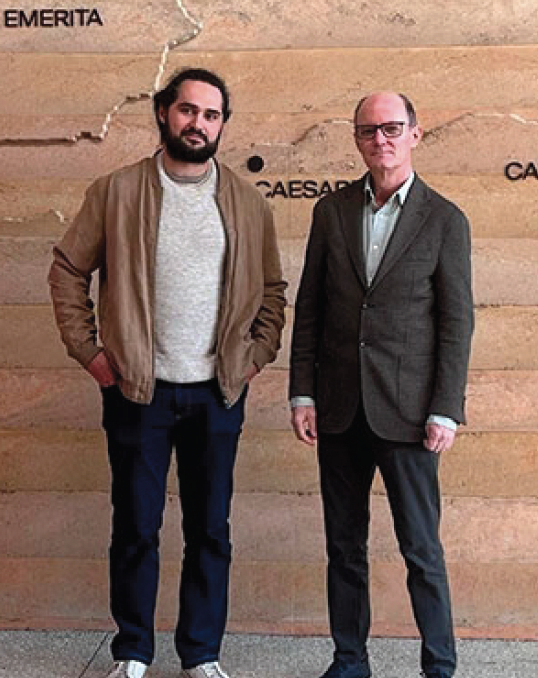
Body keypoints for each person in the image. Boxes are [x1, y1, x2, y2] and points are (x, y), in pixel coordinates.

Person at [49, 68, 287, 678]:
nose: (198, 124)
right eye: (188, 110)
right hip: (138, 391)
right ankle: (132, 650)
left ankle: (201, 654)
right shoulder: (117, 191)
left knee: (210, 529)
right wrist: (91, 353)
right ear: (163, 113)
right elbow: (68, 270)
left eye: (211, 115)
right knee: (136, 526)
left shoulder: (246, 202)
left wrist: (255, 357)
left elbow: (271, 290)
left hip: (217, 393)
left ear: (222, 125)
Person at [288, 92, 474, 678]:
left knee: (421, 549)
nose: (381, 140)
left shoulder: (444, 219)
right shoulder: (332, 211)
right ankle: (349, 661)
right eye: (369, 130)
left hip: (410, 414)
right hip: (339, 408)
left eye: (392, 128)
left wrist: (446, 408)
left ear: (415, 134)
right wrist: (302, 392)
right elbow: (310, 308)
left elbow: (456, 322)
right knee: (344, 548)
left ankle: (438, 666)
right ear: (357, 139)